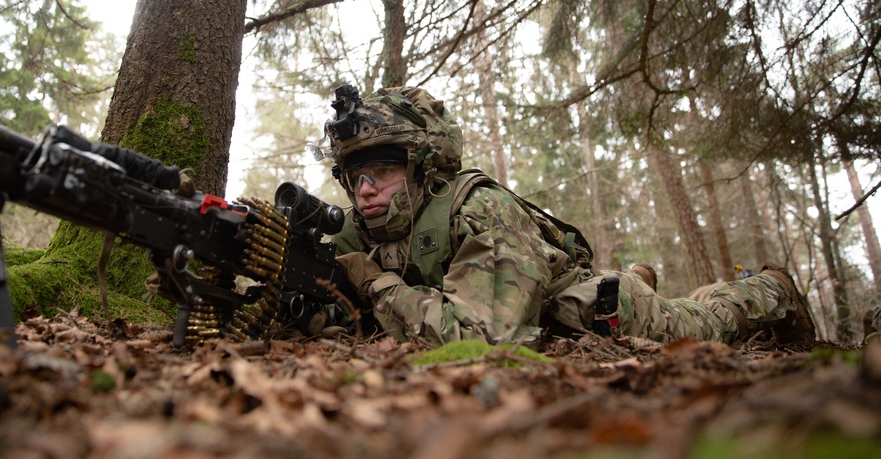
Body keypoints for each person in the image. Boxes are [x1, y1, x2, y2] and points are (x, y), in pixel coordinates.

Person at [317, 84, 815, 348]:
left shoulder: (478, 208)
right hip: (538, 305)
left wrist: (376, 285)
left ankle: (770, 289)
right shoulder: (355, 229)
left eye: (382, 170)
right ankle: (637, 277)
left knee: (705, 324)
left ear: (423, 165)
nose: (365, 190)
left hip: (590, 311)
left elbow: (488, 340)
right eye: (354, 176)